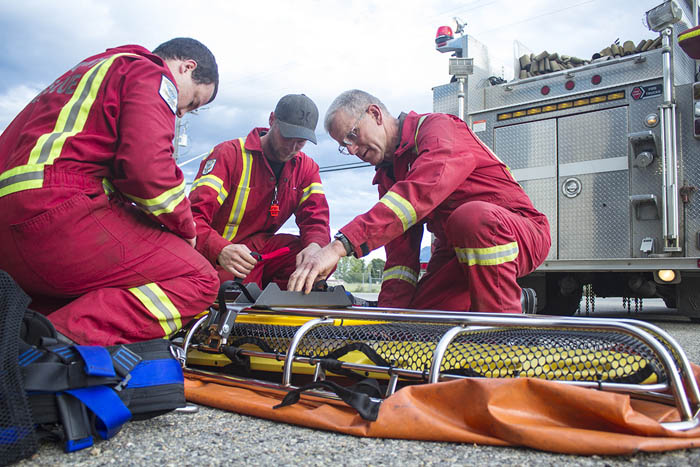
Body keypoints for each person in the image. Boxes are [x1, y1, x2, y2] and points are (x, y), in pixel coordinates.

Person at [0, 38, 220, 345]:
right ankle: (48, 347)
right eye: (193, 102)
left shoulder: (87, 72)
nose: (182, 113)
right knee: (199, 279)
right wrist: (185, 227)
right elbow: (147, 168)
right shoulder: (150, 73)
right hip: (55, 214)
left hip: (10, 232)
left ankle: (24, 340)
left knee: (85, 293)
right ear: (186, 68)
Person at [289, 89, 551, 314]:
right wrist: (387, 323)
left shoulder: (438, 130)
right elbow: (400, 261)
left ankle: (502, 337)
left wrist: (337, 247)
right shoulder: (388, 175)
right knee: (419, 321)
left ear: (375, 114)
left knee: (471, 218)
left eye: (352, 136)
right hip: (457, 251)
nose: (353, 150)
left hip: (517, 232)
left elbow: (420, 193)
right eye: (344, 146)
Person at [189, 94, 330, 289]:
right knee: (229, 285)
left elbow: (316, 222)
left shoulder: (306, 168)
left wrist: (315, 246)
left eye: (301, 142)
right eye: (287, 137)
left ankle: (279, 303)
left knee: (321, 259)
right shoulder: (229, 155)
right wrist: (220, 249)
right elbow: (192, 219)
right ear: (272, 120)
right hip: (218, 257)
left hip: (260, 253)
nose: (292, 148)